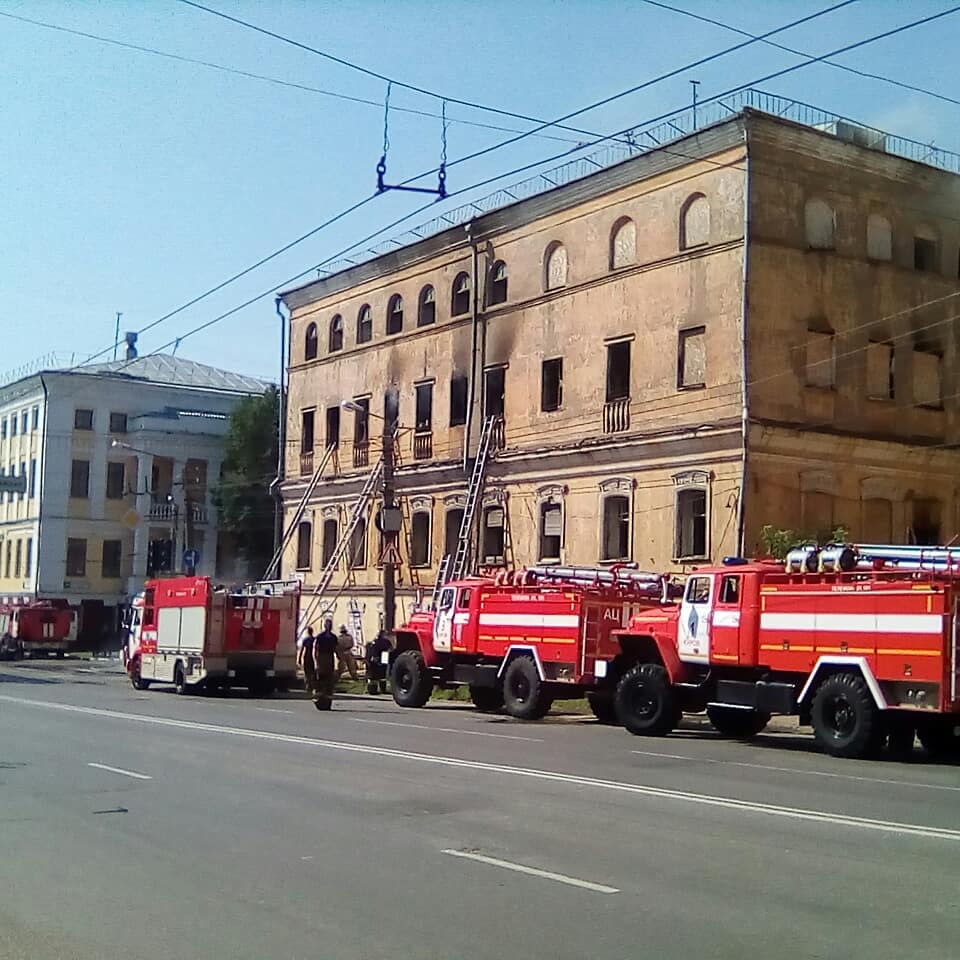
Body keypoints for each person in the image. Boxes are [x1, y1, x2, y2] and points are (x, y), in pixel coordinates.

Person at [312, 618, 338, 710]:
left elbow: (336, 649)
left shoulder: (333, 637)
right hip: (322, 657)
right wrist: (316, 660)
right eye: (327, 625)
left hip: (330, 657)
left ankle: (328, 701)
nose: (329, 627)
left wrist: (339, 659)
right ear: (324, 626)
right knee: (321, 678)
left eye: (330, 625)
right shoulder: (320, 636)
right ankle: (319, 698)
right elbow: (316, 648)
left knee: (329, 679)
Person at [365, 630, 392, 695]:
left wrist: (368, 660)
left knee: (374, 676)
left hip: (375, 660)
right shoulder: (386, 642)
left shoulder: (373, 642)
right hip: (382, 658)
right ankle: (381, 690)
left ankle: (372, 690)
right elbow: (390, 649)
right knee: (381, 676)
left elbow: (370, 652)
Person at [298, 626, 316, 695]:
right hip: (312, 656)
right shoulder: (314, 639)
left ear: (308, 632)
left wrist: (299, 658)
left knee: (306, 672)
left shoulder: (305, 639)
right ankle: (312, 686)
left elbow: (302, 649)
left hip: (307, 656)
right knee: (312, 671)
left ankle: (308, 686)